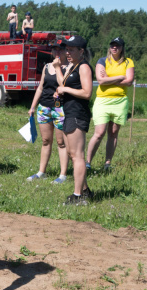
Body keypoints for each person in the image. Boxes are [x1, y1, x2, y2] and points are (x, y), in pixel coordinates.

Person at [54, 35, 93, 205]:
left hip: (78, 114)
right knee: (72, 154)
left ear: (81, 51)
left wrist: (66, 89)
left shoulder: (84, 67)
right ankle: (85, 191)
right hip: (70, 112)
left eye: (71, 49)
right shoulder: (73, 66)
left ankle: (78, 196)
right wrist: (61, 90)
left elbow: (86, 93)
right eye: (66, 49)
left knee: (77, 156)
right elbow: (64, 84)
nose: (67, 52)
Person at [86, 37, 135, 171]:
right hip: (103, 100)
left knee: (113, 133)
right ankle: (87, 162)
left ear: (122, 48)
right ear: (109, 47)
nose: (114, 48)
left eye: (117, 46)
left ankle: (107, 163)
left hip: (120, 101)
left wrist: (109, 78)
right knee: (99, 132)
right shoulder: (102, 61)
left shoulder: (128, 62)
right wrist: (119, 77)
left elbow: (129, 81)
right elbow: (101, 81)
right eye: (112, 45)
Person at [26, 43, 69, 184]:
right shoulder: (46, 67)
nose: (57, 51)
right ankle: (41, 172)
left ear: (65, 51)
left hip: (60, 108)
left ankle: (63, 175)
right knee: (45, 141)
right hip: (44, 107)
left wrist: (57, 68)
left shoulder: (68, 67)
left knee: (61, 142)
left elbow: (62, 85)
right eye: (54, 49)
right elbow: (40, 88)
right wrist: (33, 106)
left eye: (60, 49)